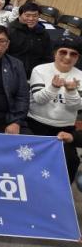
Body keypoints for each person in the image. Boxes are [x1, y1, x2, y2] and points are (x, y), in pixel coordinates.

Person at [27, 36, 82, 183]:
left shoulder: (80, 76)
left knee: (70, 162)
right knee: (30, 160)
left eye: (73, 54)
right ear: (55, 53)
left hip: (65, 129)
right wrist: (53, 87)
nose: (67, 57)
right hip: (35, 124)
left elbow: (77, 106)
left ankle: (61, 194)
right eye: (63, 52)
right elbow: (39, 99)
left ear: (77, 58)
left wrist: (71, 92)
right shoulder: (40, 70)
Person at [8, 1, 52, 78]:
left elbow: (47, 56)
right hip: (12, 72)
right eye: (27, 15)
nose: (31, 19)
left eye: (35, 16)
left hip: (36, 73)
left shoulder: (43, 34)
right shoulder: (10, 31)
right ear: (20, 15)